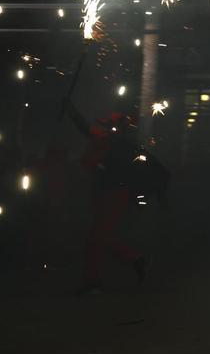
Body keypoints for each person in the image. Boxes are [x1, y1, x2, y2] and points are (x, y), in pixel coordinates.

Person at [65, 105, 168, 294]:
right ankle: (135, 259)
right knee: (100, 237)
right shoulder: (113, 141)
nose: (103, 127)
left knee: (97, 239)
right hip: (108, 193)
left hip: (114, 194)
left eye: (108, 124)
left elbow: (88, 131)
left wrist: (73, 114)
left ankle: (94, 283)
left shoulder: (116, 142)